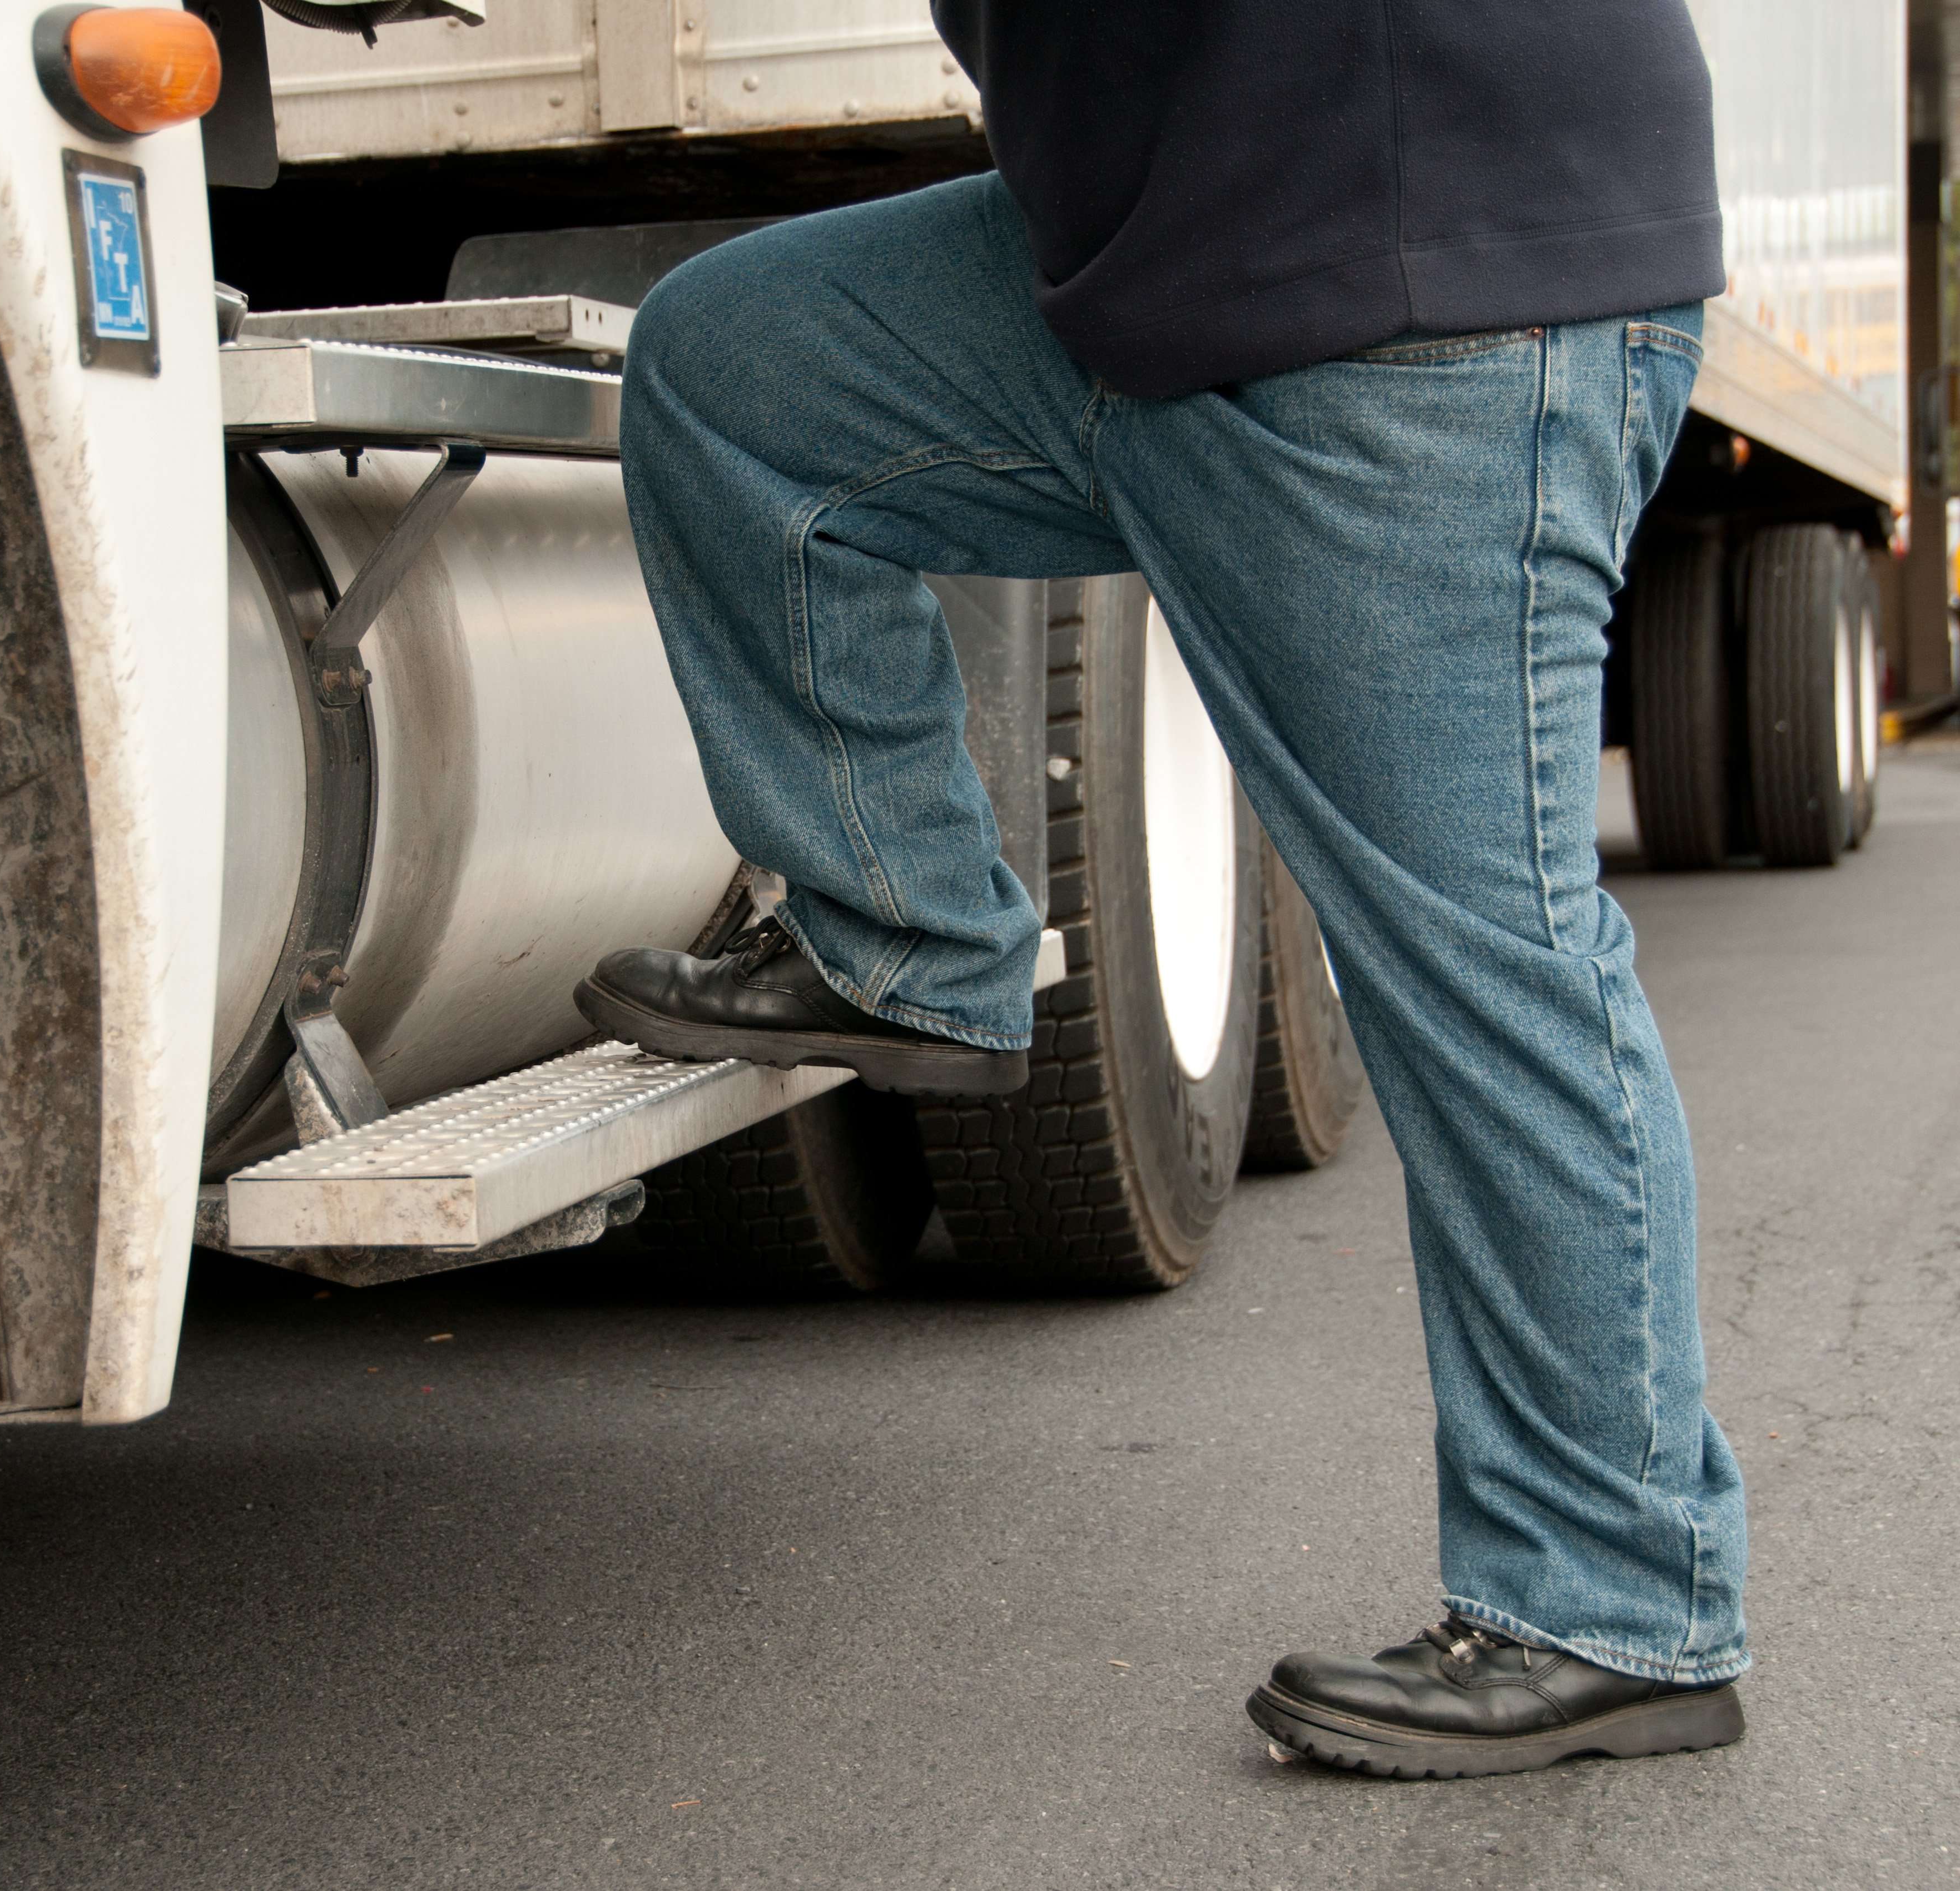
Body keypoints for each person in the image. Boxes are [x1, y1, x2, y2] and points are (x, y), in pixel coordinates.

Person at [572, 0, 1751, 1779]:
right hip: (1161, 255)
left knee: (1483, 963)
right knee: (740, 366)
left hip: (1411, 273)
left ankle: (1617, 1601)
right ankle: (911, 937)